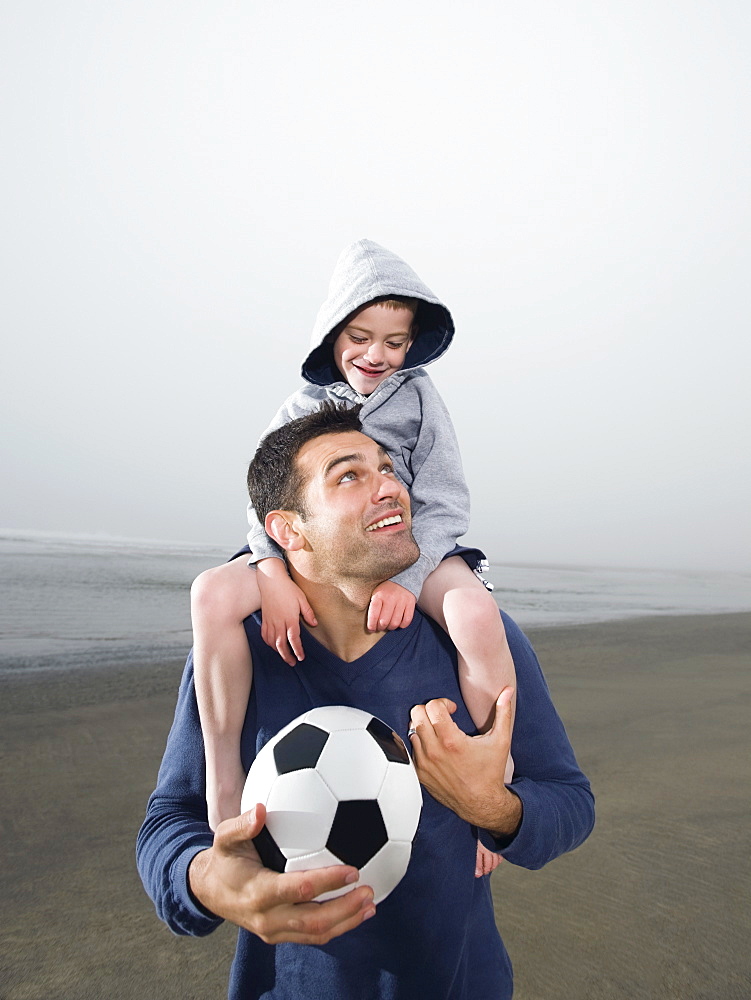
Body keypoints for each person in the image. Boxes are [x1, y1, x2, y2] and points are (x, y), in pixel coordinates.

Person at [137, 403, 595, 1000]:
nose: (389, 487)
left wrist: (495, 807)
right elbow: (168, 822)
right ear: (288, 530)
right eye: (349, 475)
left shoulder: (475, 641)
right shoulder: (236, 656)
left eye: (388, 468)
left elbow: (570, 803)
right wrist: (208, 881)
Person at [191, 240, 516, 880]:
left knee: (475, 614)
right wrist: (271, 572)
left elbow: (446, 497)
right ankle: (224, 779)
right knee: (209, 594)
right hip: (309, 555)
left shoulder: (420, 398)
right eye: (360, 337)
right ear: (332, 333)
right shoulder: (300, 408)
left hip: (417, 547)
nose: (376, 355)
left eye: (394, 342)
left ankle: (492, 775)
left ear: (413, 344)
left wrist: (410, 576)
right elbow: (264, 502)